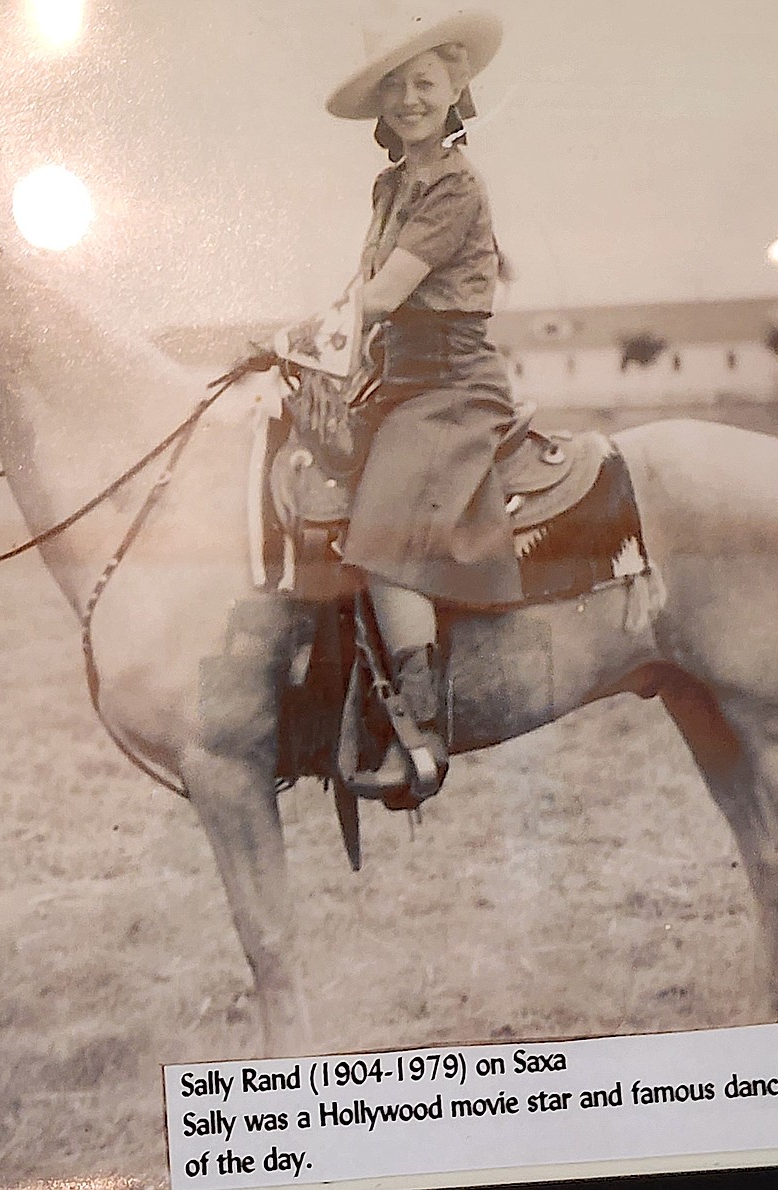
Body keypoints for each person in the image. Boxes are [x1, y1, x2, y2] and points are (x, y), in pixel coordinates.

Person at [326, 6, 522, 799]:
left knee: (383, 527)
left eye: (425, 82)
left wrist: (317, 325)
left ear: (456, 87)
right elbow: (364, 292)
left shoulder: (453, 185)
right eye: (395, 87)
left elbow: (385, 293)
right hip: (396, 378)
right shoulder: (391, 183)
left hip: (448, 386)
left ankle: (420, 729)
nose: (409, 98)